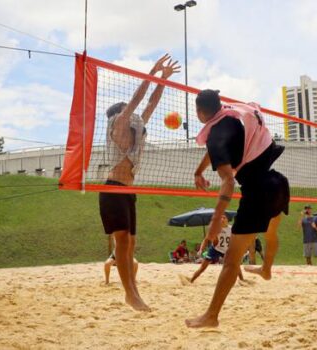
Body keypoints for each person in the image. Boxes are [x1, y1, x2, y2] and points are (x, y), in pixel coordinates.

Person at [185, 89, 289, 328]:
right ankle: (266, 268)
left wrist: (214, 221)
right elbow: (216, 151)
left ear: (200, 112)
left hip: (257, 193)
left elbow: (228, 180)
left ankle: (211, 316)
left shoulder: (215, 136)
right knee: (271, 233)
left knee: (231, 261)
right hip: (278, 184)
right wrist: (198, 171)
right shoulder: (232, 115)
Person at [98, 54, 180, 311]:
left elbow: (150, 105)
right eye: (126, 113)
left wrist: (162, 80)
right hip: (111, 188)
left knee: (131, 244)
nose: (131, 116)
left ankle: (132, 289)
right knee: (122, 242)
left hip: (128, 191)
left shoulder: (133, 128)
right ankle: (130, 293)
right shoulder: (118, 125)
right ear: (117, 118)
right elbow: (136, 101)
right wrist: (151, 72)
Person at [185, 214, 245, 283]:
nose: (222, 219)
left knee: (235, 265)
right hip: (215, 249)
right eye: (221, 218)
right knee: (203, 267)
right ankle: (191, 280)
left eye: (224, 218)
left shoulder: (232, 229)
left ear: (227, 220)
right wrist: (201, 250)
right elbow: (206, 239)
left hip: (226, 251)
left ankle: (242, 280)